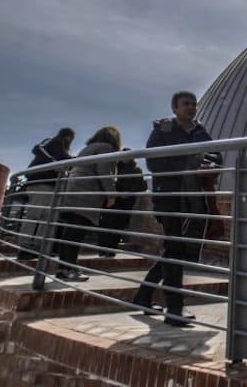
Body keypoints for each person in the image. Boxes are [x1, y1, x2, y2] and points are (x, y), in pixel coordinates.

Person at [132, 91, 222, 328]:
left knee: (176, 249)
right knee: (174, 248)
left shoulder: (200, 131)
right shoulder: (163, 130)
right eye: (186, 104)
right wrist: (188, 164)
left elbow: (216, 156)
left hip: (193, 197)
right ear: (175, 108)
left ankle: (143, 296)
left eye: (193, 104)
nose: (191, 107)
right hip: (170, 196)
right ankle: (174, 308)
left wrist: (207, 164)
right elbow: (153, 161)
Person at [56, 126, 122, 282]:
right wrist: (111, 194)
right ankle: (70, 269)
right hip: (87, 194)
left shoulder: (88, 148)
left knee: (69, 232)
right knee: (76, 233)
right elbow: (104, 172)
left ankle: (63, 268)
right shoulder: (106, 148)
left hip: (73, 191)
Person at [17, 128, 75, 260]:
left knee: (45, 217)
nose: (70, 141)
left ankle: (37, 246)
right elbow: (59, 159)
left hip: (46, 184)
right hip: (42, 183)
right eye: (71, 138)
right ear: (67, 136)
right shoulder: (55, 143)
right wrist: (74, 160)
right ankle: (26, 247)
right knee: (36, 215)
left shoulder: (53, 145)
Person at [97, 148, 148, 257]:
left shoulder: (136, 170)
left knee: (117, 226)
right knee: (106, 224)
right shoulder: (115, 168)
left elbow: (143, 186)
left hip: (126, 203)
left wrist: (129, 192)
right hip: (112, 200)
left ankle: (110, 252)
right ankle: (102, 251)